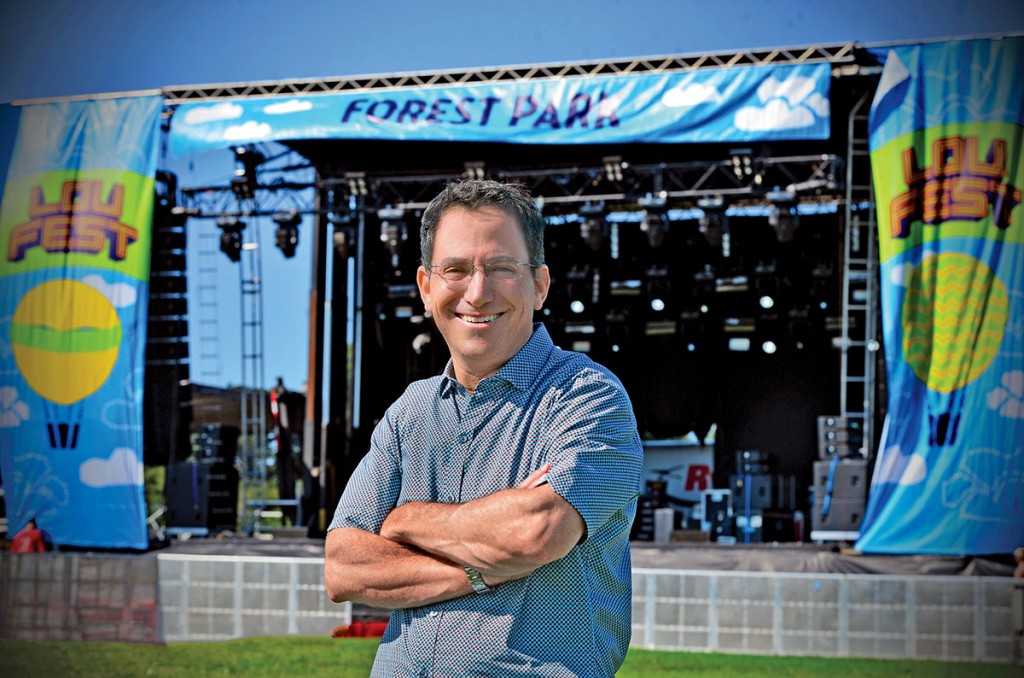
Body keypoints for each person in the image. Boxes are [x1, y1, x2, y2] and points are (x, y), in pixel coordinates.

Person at [324, 179, 644, 677]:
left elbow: (536, 532)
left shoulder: (588, 397)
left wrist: (406, 521)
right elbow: (344, 567)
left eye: (501, 268)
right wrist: (481, 568)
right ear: (427, 287)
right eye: (455, 269)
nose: (477, 291)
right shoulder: (410, 413)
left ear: (539, 286)